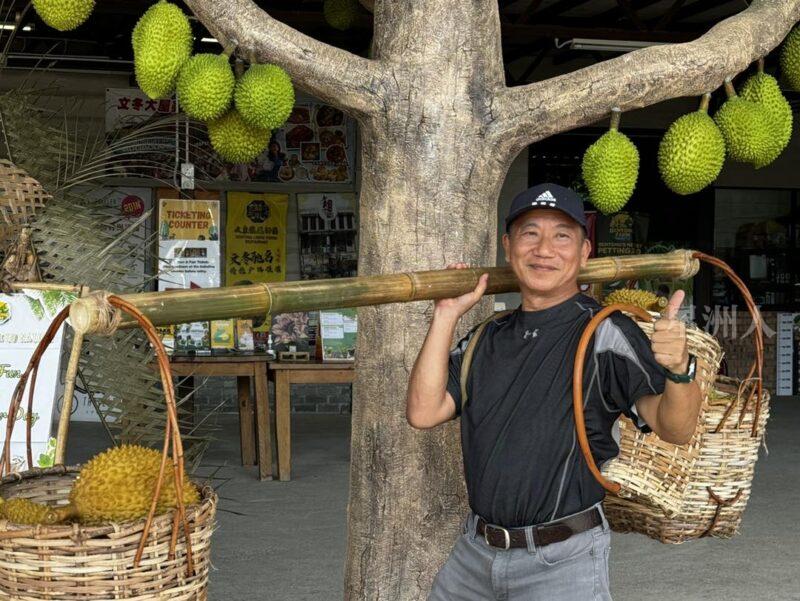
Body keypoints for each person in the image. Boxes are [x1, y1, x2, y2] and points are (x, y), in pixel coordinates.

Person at [406, 183, 703, 600]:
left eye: (562, 235)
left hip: (562, 561)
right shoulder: (484, 337)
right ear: (509, 247)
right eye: (530, 233)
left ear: (584, 252)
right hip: (474, 556)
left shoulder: (605, 332)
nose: (544, 249)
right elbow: (423, 411)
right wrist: (445, 315)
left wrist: (679, 369)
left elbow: (675, 428)